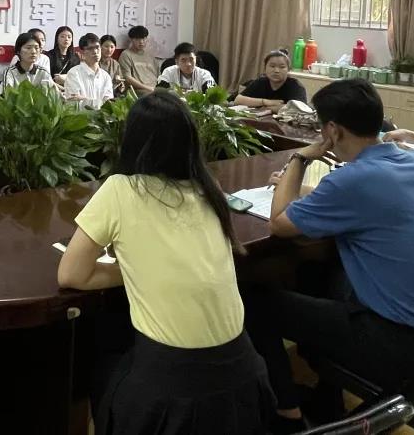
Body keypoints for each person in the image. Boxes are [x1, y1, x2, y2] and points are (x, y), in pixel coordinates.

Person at [246, 79, 414, 431]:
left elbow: (279, 223)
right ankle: (327, 396)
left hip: (407, 347)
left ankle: (287, 414)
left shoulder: (352, 180)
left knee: (253, 301)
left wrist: (300, 157)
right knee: (318, 272)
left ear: (332, 130)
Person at [58, 91, 273, 434]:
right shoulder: (209, 189)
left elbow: (71, 275)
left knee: (100, 356)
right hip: (245, 383)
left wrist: (133, 269)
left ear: (133, 141)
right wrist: (144, 268)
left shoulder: (120, 189)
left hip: (172, 398)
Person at [235, 50, 307, 109]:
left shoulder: (296, 86)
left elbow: (299, 109)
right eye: (272, 66)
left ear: (288, 70)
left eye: (282, 67)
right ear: (265, 68)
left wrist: (267, 108)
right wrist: (266, 102)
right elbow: (238, 100)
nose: (276, 71)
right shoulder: (261, 82)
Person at [63, 33, 114, 109]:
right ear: (82, 52)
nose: (95, 51)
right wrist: (99, 102)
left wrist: (85, 100)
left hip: (102, 116)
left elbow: (109, 104)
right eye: (90, 48)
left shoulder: (106, 76)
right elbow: (74, 104)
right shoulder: (74, 73)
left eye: (97, 47)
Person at [117, 25, 158, 98]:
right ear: (131, 39)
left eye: (144, 38)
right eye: (137, 39)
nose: (141, 42)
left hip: (154, 90)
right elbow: (127, 78)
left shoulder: (150, 56)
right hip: (138, 91)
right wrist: (148, 88)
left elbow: (158, 75)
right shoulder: (126, 54)